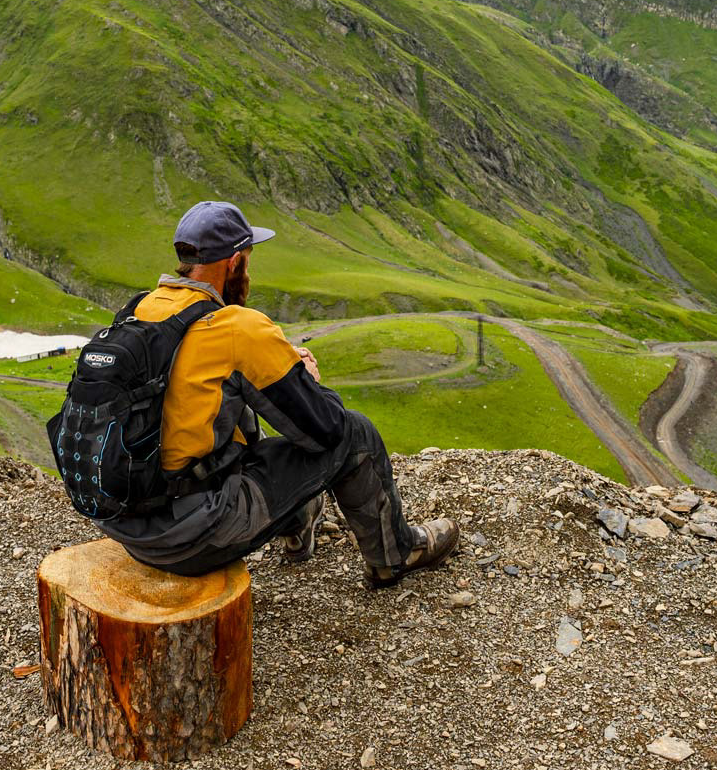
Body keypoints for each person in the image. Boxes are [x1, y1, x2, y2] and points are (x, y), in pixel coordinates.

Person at [95, 200, 458, 584]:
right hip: (194, 538)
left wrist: (279, 369)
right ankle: (395, 554)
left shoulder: (138, 310)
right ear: (234, 262)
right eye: (248, 258)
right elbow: (326, 429)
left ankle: (299, 523)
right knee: (354, 433)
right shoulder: (238, 327)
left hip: (129, 525)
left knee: (238, 423)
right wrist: (307, 381)